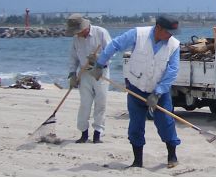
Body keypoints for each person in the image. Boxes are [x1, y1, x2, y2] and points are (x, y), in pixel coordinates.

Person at [92, 16, 182, 168]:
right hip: (136, 88)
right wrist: (100, 63)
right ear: (158, 28)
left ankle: (172, 156)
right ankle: (137, 161)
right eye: (169, 31)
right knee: (136, 125)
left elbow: (172, 70)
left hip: (159, 91)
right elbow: (115, 45)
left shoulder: (174, 45)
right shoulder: (138, 34)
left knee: (166, 122)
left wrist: (158, 92)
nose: (171, 35)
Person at [66, 14, 111, 144]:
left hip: (100, 72)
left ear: (84, 28)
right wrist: (72, 74)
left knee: (100, 103)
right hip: (84, 73)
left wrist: (99, 59)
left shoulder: (101, 32)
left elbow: (111, 51)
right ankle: (83, 134)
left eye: (78, 31)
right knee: (85, 104)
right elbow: (73, 57)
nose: (77, 34)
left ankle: (97, 134)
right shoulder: (76, 39)